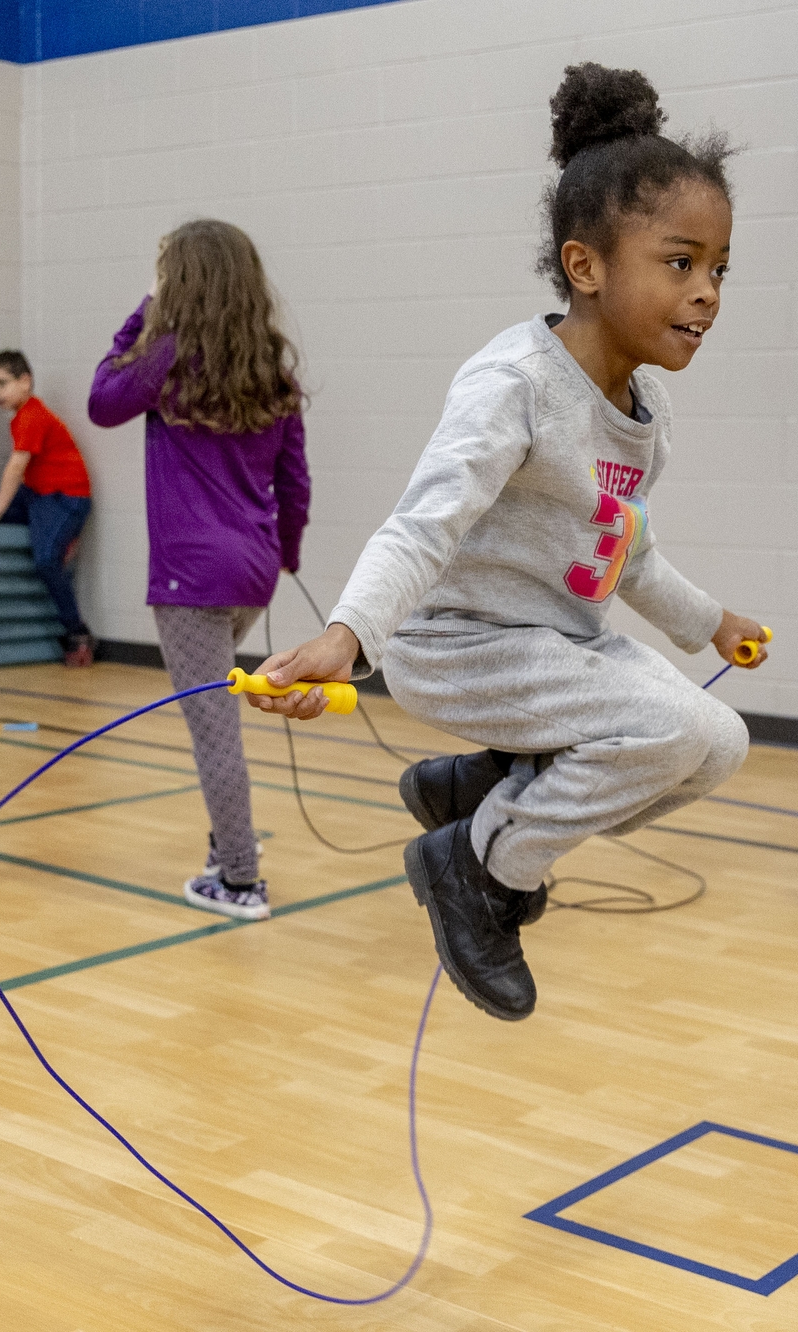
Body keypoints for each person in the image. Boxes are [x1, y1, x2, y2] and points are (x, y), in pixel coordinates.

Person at [244, 66, 764, 1020]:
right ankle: (476, 865)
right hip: (461, 646)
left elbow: (627, 552)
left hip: (556, 649)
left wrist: (710, 623)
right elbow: (423, 524)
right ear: (587, 267)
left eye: (720, 269)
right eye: (681, 263)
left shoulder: (643, 411)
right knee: (671, 729)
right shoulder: (514, 384)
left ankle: (484, 787)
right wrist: (347, 638)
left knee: (718, 743)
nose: (708, 293)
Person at [89, 219, 311, 921]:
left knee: (212, 726)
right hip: (252, 571)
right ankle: (230, 848)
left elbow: (101, 398)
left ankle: (240, 880)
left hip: (191, 579)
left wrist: (143, 316)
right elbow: (295, 484)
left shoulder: (166, 361)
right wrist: (286, 556)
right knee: (217, 717)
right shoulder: (270, 373)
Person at [0, 350, 97, 666]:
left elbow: (15, 468)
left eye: (2, 383)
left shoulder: (32, 416)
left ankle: (77, 631)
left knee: (45, 560)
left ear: (25, 381)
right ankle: (50, 531)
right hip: (39, 496)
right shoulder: (21, 417)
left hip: (65, 498)